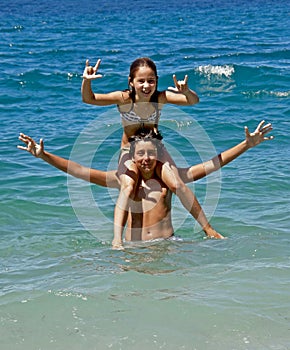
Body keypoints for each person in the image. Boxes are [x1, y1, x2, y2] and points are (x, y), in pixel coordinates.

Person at [18, 120, 273, 249]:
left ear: (159, 152)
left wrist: (245, 145)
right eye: (140, 154)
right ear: (132, 156)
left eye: (151, 153)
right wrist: (44, 156)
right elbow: (80, 171)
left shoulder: (169, 178)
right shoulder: (123, 180)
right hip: (133, 248)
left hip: (169, 245)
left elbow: (211, 165)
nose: (146, 159)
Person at [82, 57, 221, 244]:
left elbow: (193, 101)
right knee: (128, 187)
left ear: (156, 80)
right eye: (141, 81)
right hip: (129, 150)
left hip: (155, 148)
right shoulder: (123, 99)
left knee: (177, 184)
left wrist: (187, 91)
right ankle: (117, 240)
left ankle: (208, 229)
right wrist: (87, 81)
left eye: (151, 81)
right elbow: (88, 98)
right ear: (131, 82)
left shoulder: (160, 98)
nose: (146, 86)